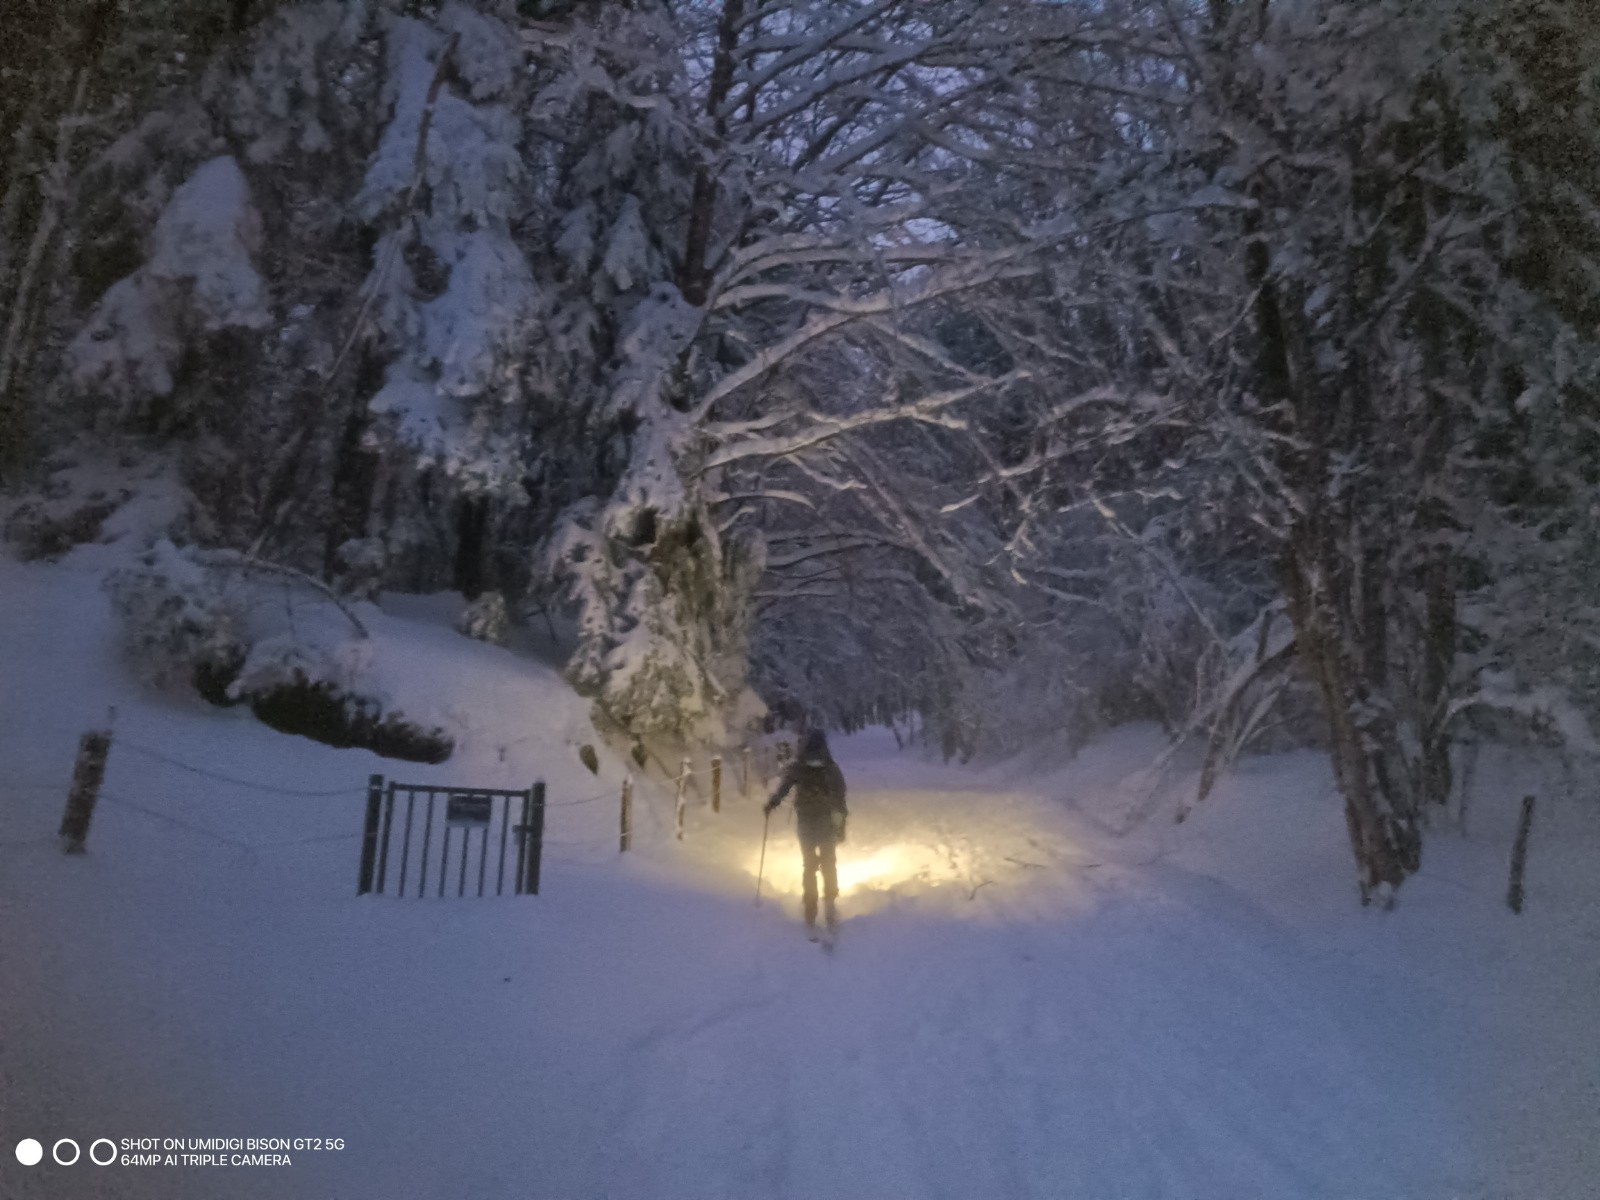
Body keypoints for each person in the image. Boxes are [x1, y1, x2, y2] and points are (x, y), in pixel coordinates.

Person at [764, 729, 848, 933]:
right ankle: (830, 905)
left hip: (806, 823)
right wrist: (840, 826)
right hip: (827, 822)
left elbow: (784, 787)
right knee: (829, 863)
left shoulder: (798, 767)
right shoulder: (831, 769)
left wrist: (772, 803)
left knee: (809, 865)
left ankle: (810, 909)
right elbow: (839, 800)